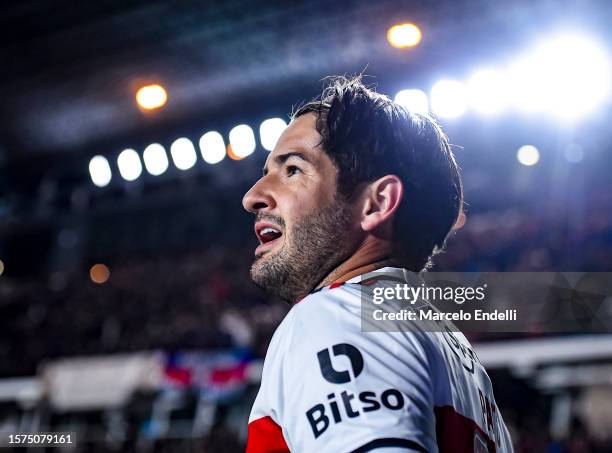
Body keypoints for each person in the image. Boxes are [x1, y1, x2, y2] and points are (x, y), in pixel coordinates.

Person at [242, 76, 513, 452]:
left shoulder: (340, 315)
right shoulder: (460, 358)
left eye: (293, 171)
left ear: (377, 203)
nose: (252, 197)